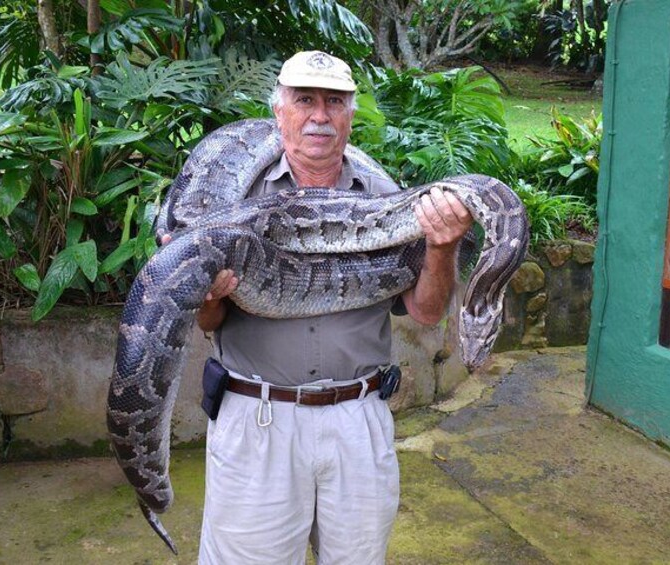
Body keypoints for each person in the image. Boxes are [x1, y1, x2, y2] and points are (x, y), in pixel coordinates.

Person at [196, 50, 473, 565]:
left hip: (357, 420)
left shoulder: (389, 200)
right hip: (259, 419)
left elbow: (428, 312)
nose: (319, 115)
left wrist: (440, 246)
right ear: (279, 111)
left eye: (334, 102)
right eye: (305, 100)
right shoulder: (232, 200)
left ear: (350, 113)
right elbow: (208, 322)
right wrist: (210, 294)